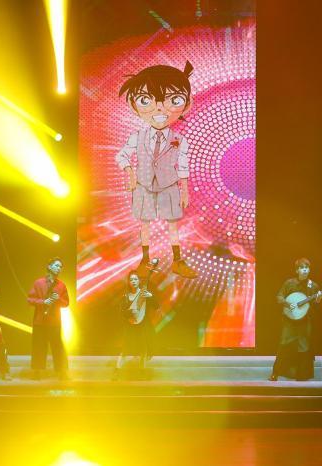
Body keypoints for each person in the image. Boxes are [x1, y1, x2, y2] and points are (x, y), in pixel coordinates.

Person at [116, 63, 197, 279]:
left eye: (173, 100)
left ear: (186, 104)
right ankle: (145, 260)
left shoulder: (179, 139)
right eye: (147, 100)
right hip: (143, 185)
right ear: (134, 105)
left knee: (172, 223)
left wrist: (184, 190)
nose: (160, 109)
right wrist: (130, 172)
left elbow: (183, 165)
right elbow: (122, 155)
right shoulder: (137, 137)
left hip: (169, 185)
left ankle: (177, 261)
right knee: (145, 223)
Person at [269, 258, 322, 381]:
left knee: (303, 346)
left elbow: (315, 305)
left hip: (305, 320)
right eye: (302, 268)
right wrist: (288, 304)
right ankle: (275, 373)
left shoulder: (313, 285)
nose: (305, 270)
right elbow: (279, 296)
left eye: (307, 268)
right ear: (297, 270)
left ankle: (302, 374)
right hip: (290, 320)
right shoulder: (289, 283)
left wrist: (318, 300)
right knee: (284, 344)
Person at [27, 257, 70, 381]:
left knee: (58, 347)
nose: (59, 268)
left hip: (54, 321)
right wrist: (43, 302)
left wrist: (58, 299)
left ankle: (62, 372)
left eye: (60, 267)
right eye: (56, 265)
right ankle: (37, 372)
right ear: (49, 267)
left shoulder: (61, 285)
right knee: (39, 346)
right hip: (40, 320)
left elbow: (66, 303)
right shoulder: (38, 283)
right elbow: (30, 299)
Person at [113, 271, 158, 380]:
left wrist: (151, 296)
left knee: (143, 349)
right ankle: (117, 371)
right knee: (125, 349)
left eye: (135, 279)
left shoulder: (144, 294)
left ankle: (142, 372)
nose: (133, 281)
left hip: (143, 325)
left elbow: (156, 306)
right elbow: (122, 313)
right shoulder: (126, 296)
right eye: (131, 279)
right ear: (128, 282)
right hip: (130, 325)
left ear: (139, 281)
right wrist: (131, 313)